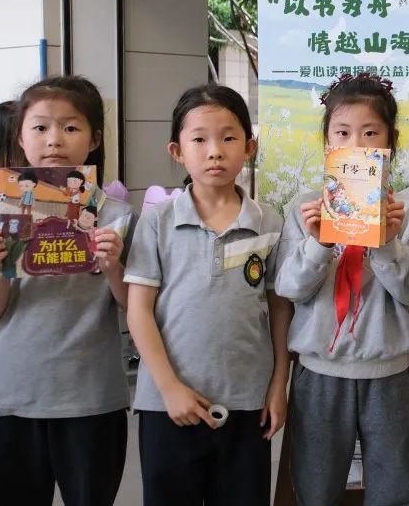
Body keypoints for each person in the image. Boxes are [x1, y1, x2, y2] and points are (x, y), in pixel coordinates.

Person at [0, 75, 135, 506]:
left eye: (70, 127)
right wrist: (0, 269)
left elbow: (134, 310)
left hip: (91, 397)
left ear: (94, 139)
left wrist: (113, 268)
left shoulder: (116, 216)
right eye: (40, 127)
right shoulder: (0, 216)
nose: (54, 139)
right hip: (11, 394)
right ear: (21, 139)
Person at [125, 84, 290, 506]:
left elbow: (279, 310)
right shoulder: (157, 221)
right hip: (169, 403)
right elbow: (139, 310)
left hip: (247, 401)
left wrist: (278, 386)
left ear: (249, 147)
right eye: (199, 139)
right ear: (177, 151)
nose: (215, 151)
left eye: (228, 137)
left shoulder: (269, 221)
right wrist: (169, 388)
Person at [275, 72, 409, 506]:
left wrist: (387, 242)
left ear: (390, 142)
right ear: (327, 142)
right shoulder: (303, 209)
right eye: (343, 133)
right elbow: (289, 289)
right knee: (316, 488)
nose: (357, 145)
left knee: (395, 489)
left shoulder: (408, 214)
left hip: (388, 374)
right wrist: (318, 243)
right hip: (319, 373)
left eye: (370, 133)